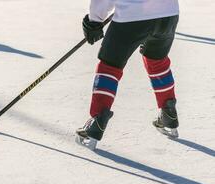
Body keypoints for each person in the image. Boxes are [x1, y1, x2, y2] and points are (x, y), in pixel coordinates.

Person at [76, 0, 180, 150]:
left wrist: (94, 20)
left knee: (110, 66)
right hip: (168, 14)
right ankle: (168, 112)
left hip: (132, 16)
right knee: (156, 60)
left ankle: (97, 120)